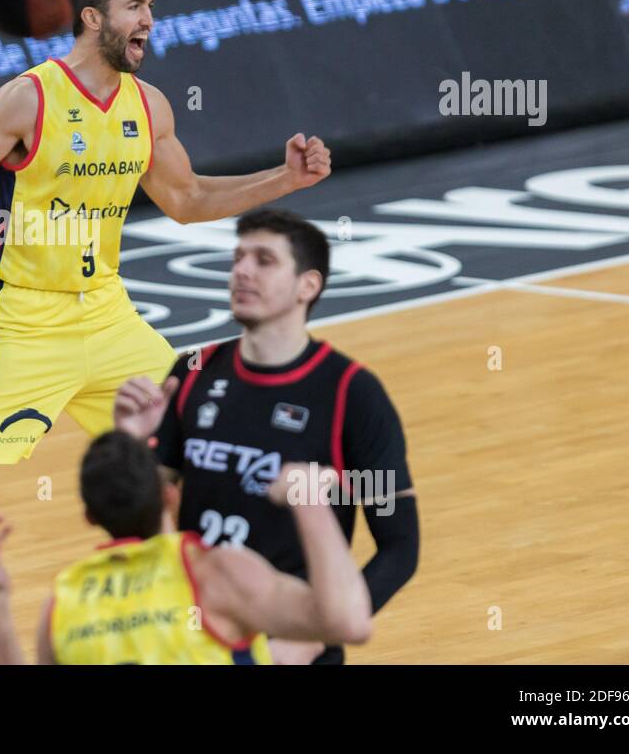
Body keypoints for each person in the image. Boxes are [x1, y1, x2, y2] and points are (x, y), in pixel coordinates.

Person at [0, 0, 332, 657]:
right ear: (92, 17)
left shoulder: (148, 106)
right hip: (22, 319)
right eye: (136, 6)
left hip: (105, 313)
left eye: (153, 6)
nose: (149, 21)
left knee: (198, 446)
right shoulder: (27, 100)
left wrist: (283, 179)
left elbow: (188, 200)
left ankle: (217, 614)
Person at [113, 207, 419, 664]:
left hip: (289, 641)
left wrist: (313, 636)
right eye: (237, 258)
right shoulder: (194, 373)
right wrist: (131, 444)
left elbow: (400, 546)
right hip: (191, 638)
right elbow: (145, 515)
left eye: (263, 260)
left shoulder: (352, 394)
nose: (241, 271)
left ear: (307, 286)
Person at [0, 432, 372, 664]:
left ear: (89, 515)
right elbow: (345, 623)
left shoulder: (65, 602)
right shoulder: (214, 574)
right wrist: (310, 502)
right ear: (171, 497)